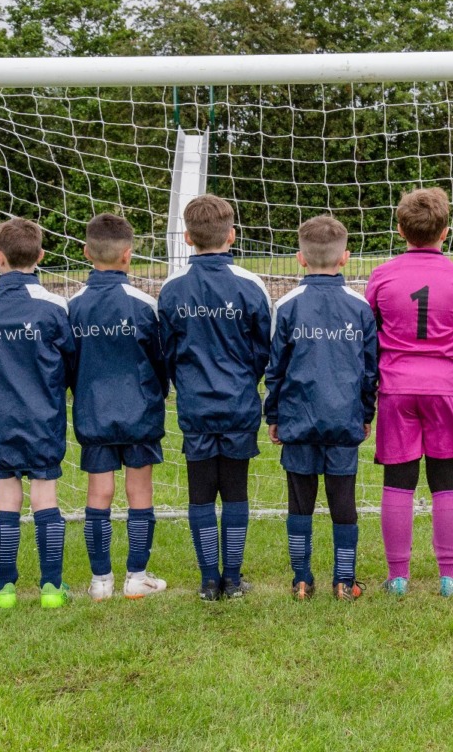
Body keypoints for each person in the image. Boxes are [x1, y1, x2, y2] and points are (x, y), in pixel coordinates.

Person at [365, 187, 453, 597]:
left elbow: (369, 334)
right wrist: (452, 373)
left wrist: (385, 372)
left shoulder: (382, 275)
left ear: (399, 230)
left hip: (396, 388)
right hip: (444, 387)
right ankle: (449, 577)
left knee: (399, 479)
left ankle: (398, 579)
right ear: (446, 232)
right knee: (446, 477)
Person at [158, 194, 272, 601]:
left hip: (196, 406)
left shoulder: (172, 288)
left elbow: (168, 351)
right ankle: (232, 579)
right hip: (239, 403)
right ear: (232, 235)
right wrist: (243, 379)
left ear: (187, 237)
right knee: (236, 490)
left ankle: (211, 581)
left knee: (201, 492)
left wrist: (188, 381)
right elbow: (263, 349)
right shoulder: (250, 285)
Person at [265, 215, 378, 601]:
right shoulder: (360, 307)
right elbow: (369, 371)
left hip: (299, 420)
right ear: (345, 258)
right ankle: (344, 581)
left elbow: (275, 368)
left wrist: (274, 415)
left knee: (300, 502)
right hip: (343, 420)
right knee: (342, 502)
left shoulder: (287, 305)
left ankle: (302, 579)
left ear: (301, 258)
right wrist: (365, 414)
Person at [0, 218, 76, 609]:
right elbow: (70, 361)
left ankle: (4, 590)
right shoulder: (55, 307)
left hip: (1, 418)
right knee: (45, 496)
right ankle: (52, 588)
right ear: (40, 256)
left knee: (6, 498)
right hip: (43, 417)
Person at [70, 213, 169, 601]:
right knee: (139, 491)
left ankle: (100, 582)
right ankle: (136, 577)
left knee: (99, 493)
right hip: (139, 411)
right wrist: (157, 392)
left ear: (85, 252)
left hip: (93, 411)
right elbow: (160, 361)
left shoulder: (73, 306)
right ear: (128, 255)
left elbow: (69, 362)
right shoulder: (144, 304)